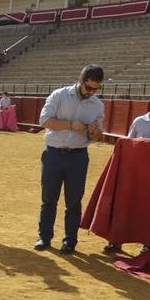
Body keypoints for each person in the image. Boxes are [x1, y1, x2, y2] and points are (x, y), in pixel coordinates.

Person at [34, 65, 105, 254]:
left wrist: (96, 133)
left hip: (78, 156)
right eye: (88, 87)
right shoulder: (59, 95)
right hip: (53, 154)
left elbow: (98, 135)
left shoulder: (97, 105)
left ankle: (70, 241)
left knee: (74, 201)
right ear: (80, 80)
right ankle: (44, 236)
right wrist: (71, 125)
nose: (91, 92)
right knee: (49, 199)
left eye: (95, 89)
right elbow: (44, 121)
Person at [103, 90, 150, 254]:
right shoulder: (139, 122)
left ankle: (148, 242)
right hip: (135, 174)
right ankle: (116, 240)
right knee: (126, 205)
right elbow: (129, 145)